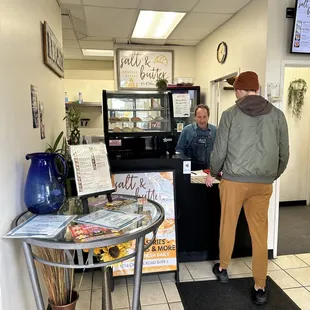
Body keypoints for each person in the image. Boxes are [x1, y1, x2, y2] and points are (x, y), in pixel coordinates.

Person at [205, 71, 289, 305]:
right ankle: (260, 287)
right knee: (260, 234)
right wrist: (272, 175)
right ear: (258, 89)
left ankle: (222, 268)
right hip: (263, 184)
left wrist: (213, 172)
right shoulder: (278, 116)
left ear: (239, 91)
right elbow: (285, 154)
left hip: (233, 180)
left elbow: (219, 151)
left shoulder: (230, 114)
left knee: (228, 225)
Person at [176, 104, 216, 170]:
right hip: (191, 170)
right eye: (199, 117)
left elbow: (219, 151)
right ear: (195, 117)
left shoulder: (215, 131)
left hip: (209, 171)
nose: (202, 120)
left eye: (204, 117)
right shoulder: (187, 130)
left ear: (208, 117)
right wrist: (183, 168)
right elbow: (179, 150)